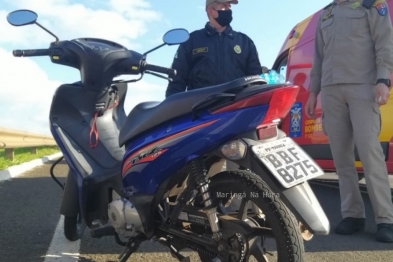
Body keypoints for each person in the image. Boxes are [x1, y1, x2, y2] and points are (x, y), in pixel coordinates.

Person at [305, 0, 393, 242]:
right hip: (332, 92)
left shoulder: (371, 5)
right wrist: (313, 93)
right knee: (342, 159)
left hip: (364, 88)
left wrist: (384, 80)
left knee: (370, 154)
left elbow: (384, 43)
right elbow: (318, 58)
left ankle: (386, 219)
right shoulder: (326, 14)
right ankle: (353, 215)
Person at [165, 0, 262, 97]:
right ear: (210, 10)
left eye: (229, 6)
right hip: (199, 108)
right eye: (224, 6)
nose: (229, 9)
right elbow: (176, 84)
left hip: (236, 109)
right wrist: (170, 109)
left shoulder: (245, 42)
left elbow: (257, 82)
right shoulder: (191, 41)